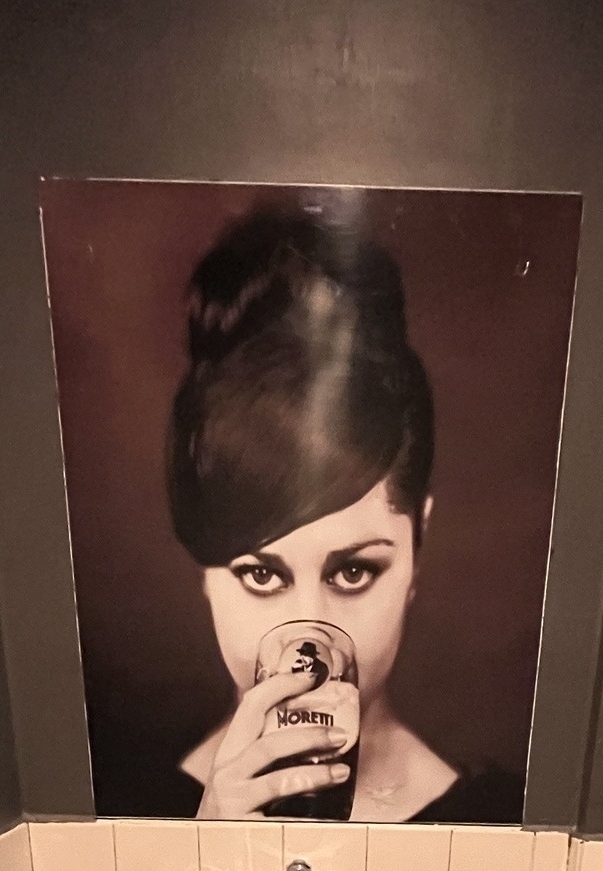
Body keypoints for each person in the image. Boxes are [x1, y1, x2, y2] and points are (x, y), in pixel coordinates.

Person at [162, 203, 522, 823]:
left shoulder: (493, 823)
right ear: (206, 570)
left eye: (352, 573)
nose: (309, 643)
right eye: (262, 575)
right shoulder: (120, 805)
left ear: (418, 545)